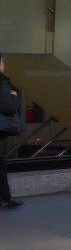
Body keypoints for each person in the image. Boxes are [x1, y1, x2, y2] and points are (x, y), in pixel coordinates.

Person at [0, 54, 23, 208]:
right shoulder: (1, 82)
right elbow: (6, 107)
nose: (3, 64)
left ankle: (5, 198)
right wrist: (15, 97)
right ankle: (5, 199)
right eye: (2, 61)